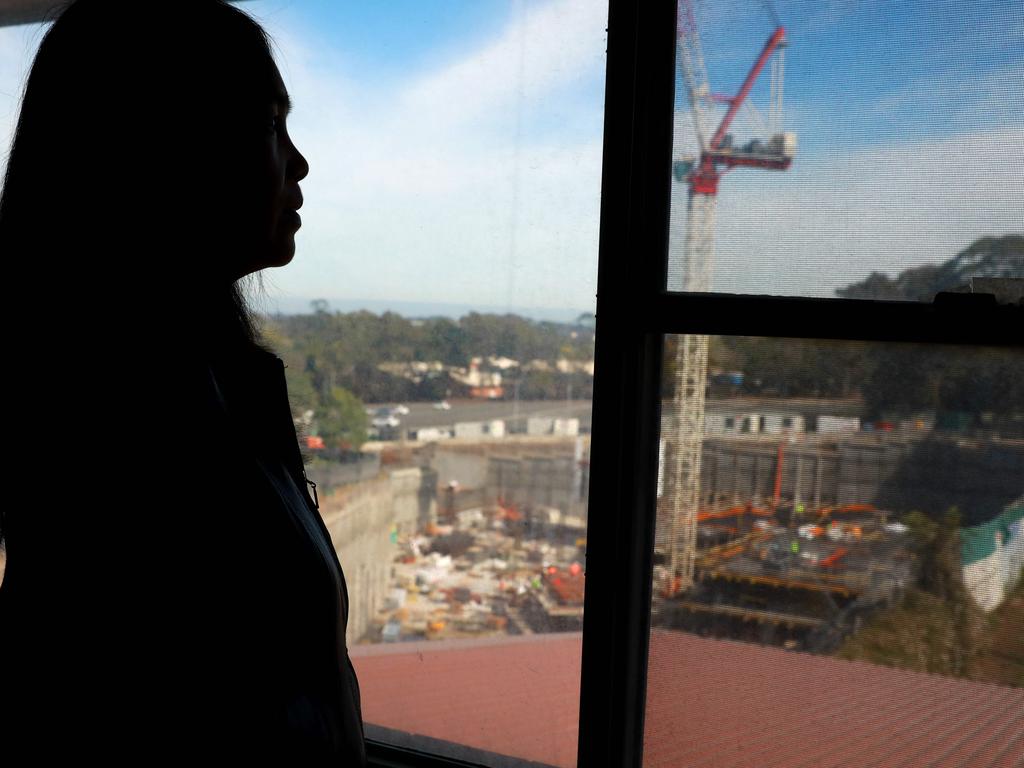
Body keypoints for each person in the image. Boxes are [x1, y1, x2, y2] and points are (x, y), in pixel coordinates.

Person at [0, 1, 366, 763]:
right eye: (271, 124)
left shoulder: (205, 383)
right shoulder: (115, 427)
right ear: (168, 149)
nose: (298, 164)